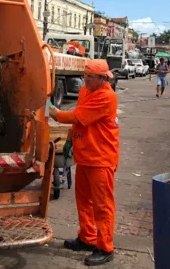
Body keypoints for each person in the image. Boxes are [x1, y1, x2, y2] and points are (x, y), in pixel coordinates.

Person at [48, 59, 119, 266]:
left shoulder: (106, 97)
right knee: (84, 201)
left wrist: (53, 111)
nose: (85, 80)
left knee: (102, 206)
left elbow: (75, 116)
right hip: (86, 156)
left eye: (90, 77)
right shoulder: (85, 92)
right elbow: (79, 121)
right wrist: (70, 140)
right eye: (85, 75)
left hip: (101, 159)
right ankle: (87, 237)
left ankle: (105, 247)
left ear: (103, 78)